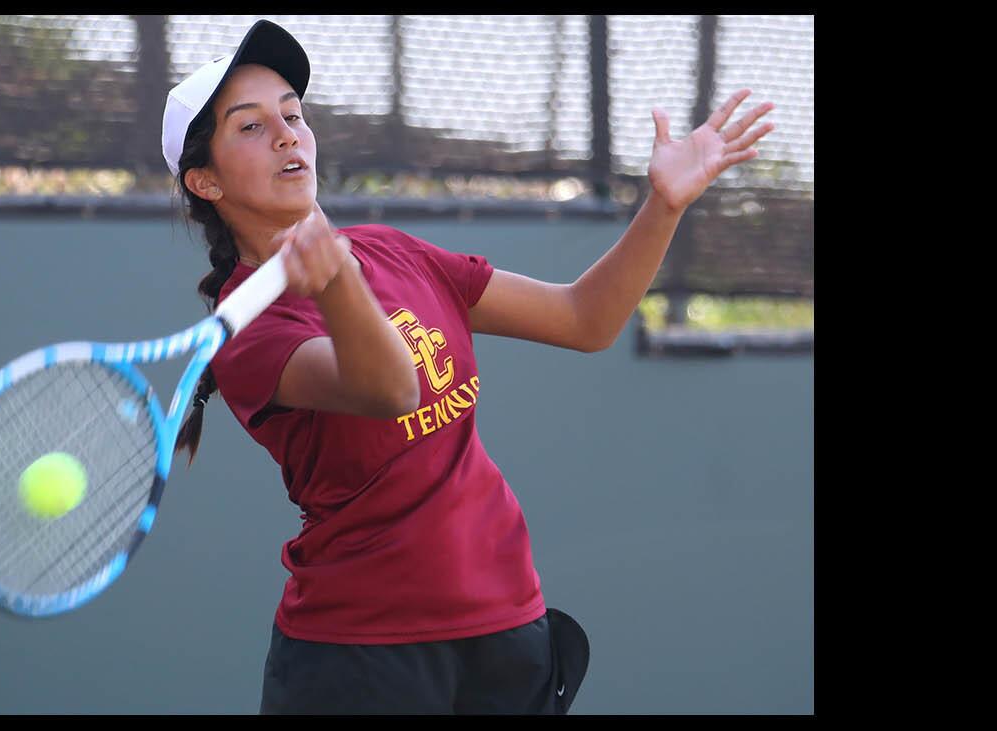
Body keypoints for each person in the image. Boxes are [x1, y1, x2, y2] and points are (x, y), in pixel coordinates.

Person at [161, 20, 774, 715]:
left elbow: (586, 319)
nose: (285, 134)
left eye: (293, 114)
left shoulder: (391, 250)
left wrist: (663, 205)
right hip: (361, 656)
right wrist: (334, 278)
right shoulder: (248, 330)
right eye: (249, 126)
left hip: (509, 629)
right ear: (204, 179)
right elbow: (393, 386)